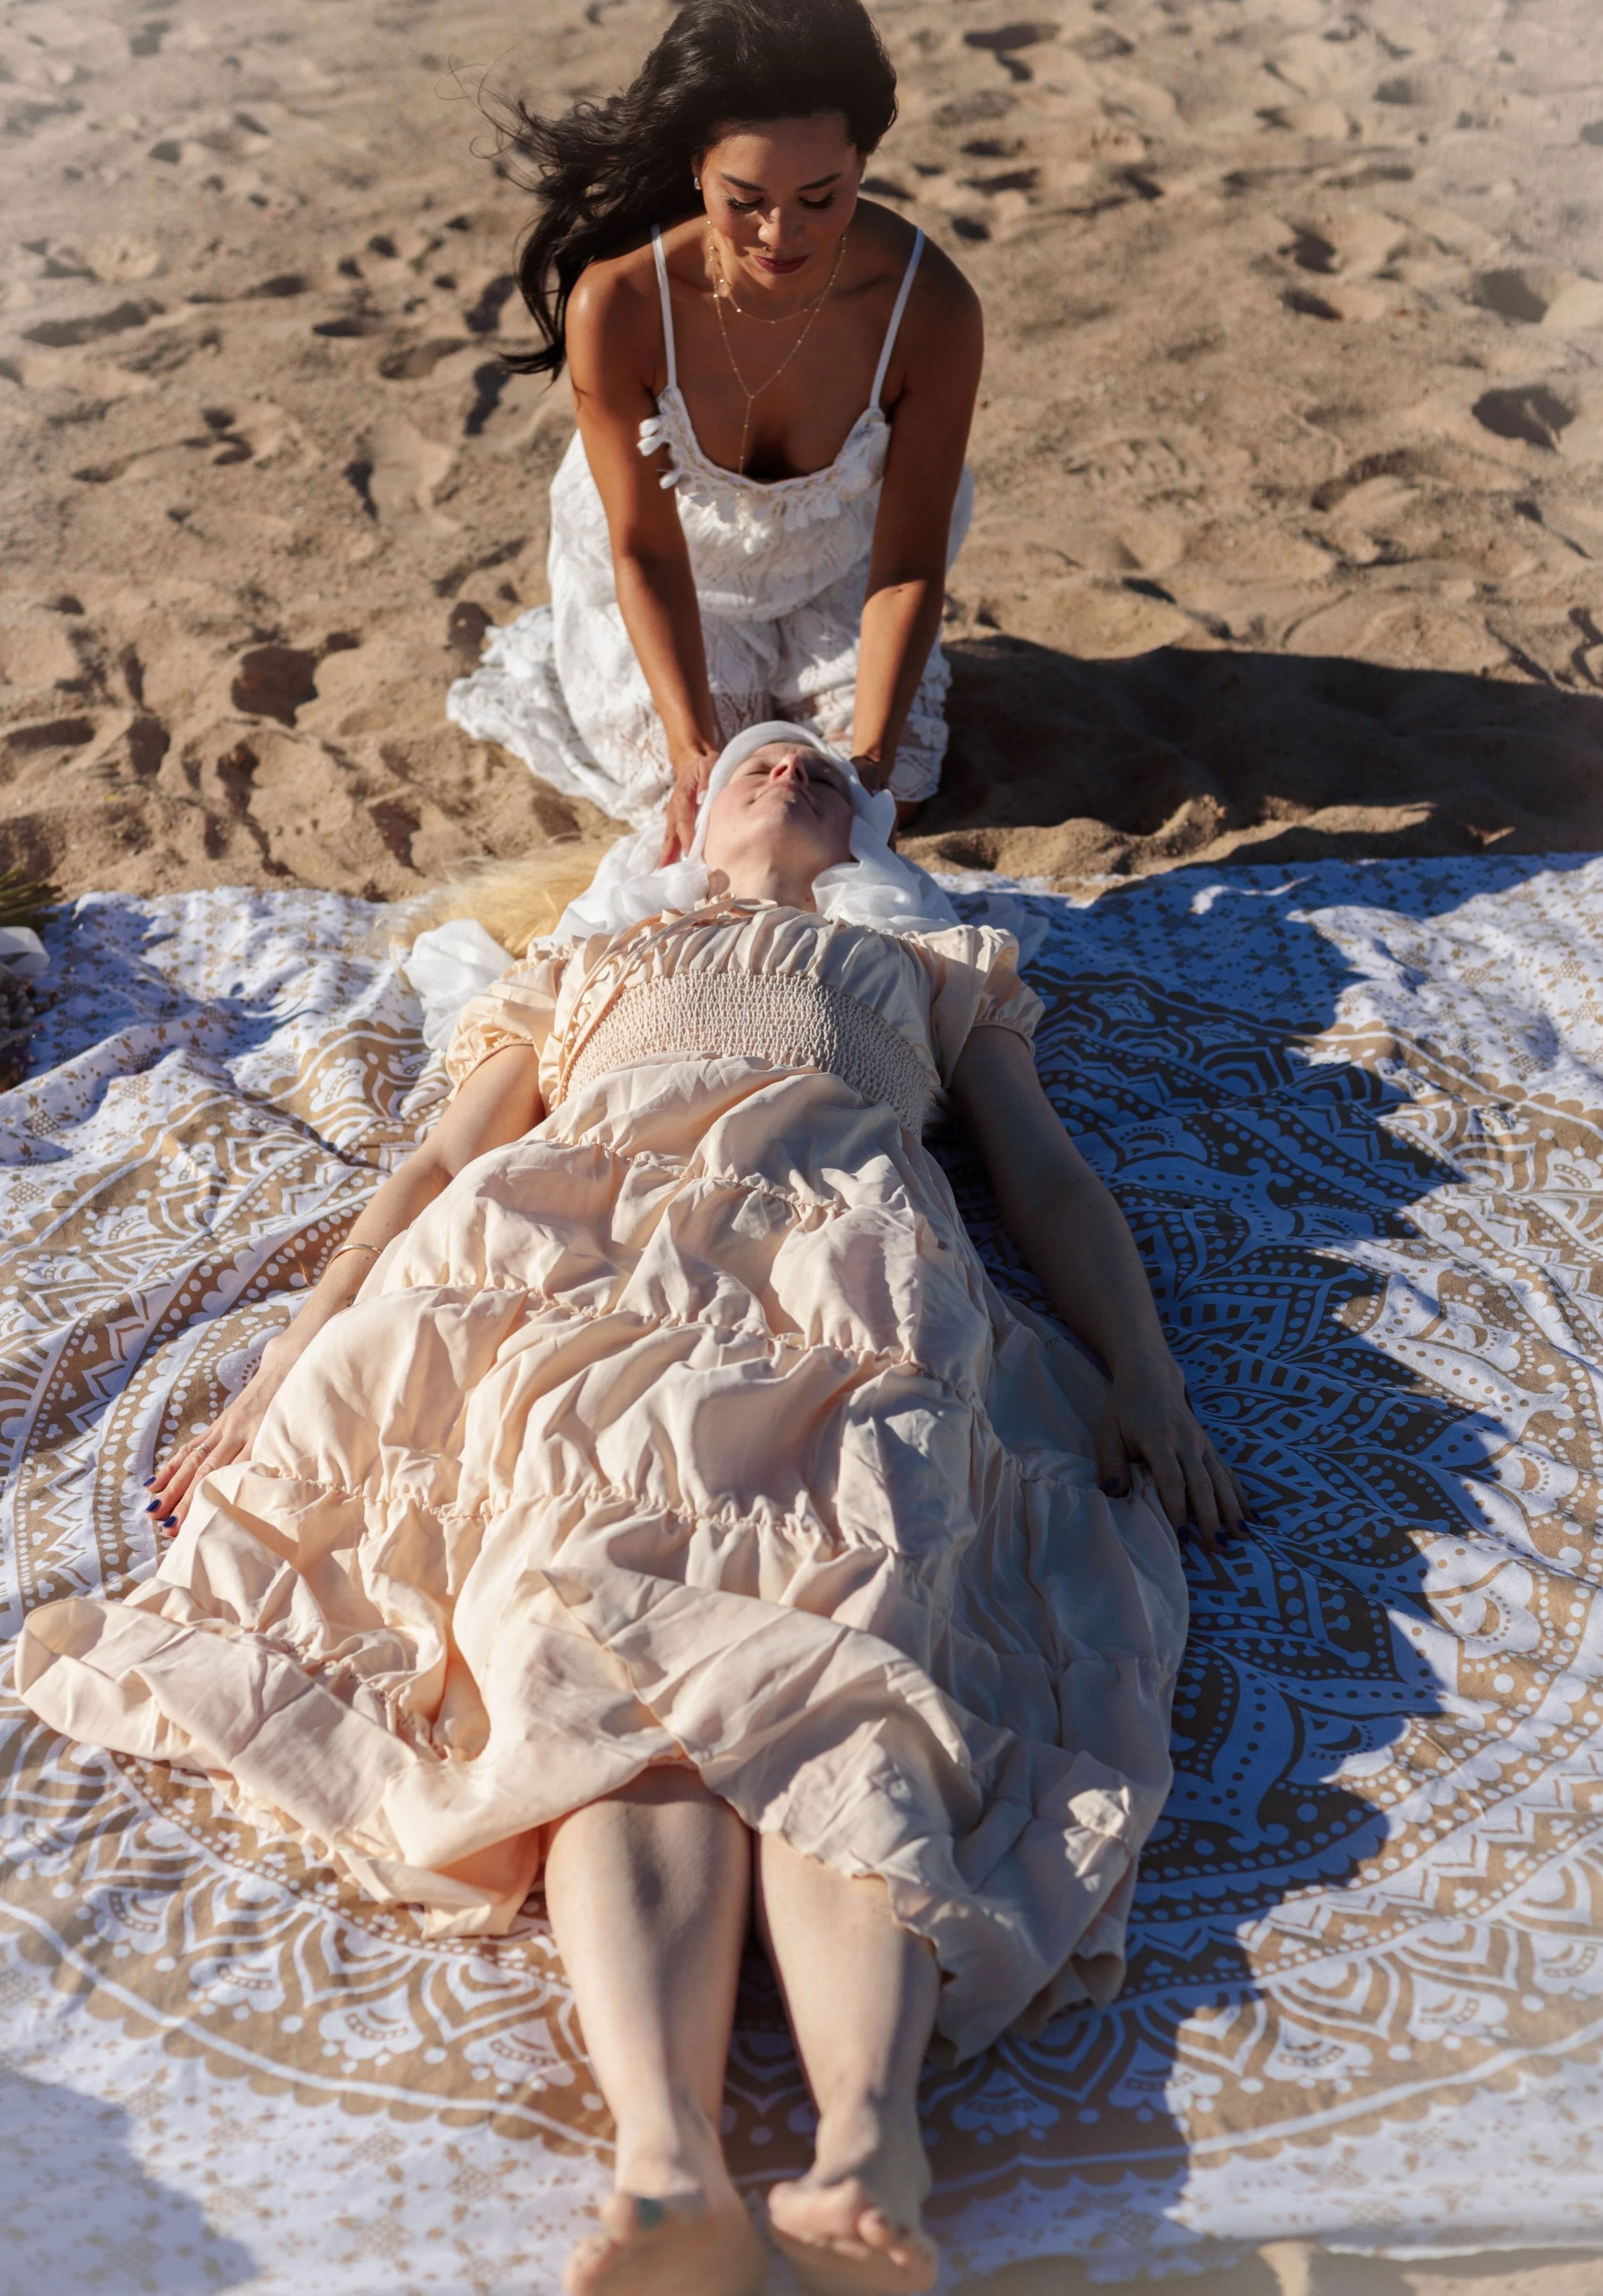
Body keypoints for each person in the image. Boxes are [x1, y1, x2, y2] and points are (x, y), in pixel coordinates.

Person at [17, 728, 1243, 2296]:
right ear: (686, 815)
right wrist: (285, 1360)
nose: (791, 770)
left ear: (864, 828)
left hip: (832, 1272)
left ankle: (869, 2147)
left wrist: (1147, 1379)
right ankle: (663, 2163)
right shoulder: (588, 960)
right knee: (592, 1655)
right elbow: (432, 1170)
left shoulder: (935, 967)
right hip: (574, 1275)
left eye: (821, 769)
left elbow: (1049, 1182)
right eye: (755, 761)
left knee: (845, 1646)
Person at [448, 0, 982, 857]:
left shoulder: (929, 306)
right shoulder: (617, 306)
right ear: (696, 167)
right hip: (679, 577)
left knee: (892, 798)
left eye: (822, 198)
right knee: (703, 806)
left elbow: (909, 562)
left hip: (845, 568)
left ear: (863, 162)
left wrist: (874, 760)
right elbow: (646, 549)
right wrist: (695, 747)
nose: (783, 237)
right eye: (746, 201)